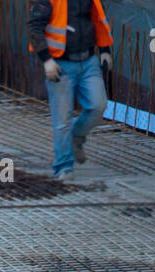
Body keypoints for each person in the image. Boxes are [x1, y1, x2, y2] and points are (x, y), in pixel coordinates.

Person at [27, 0, 114, 180]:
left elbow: (98, 19)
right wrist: (47, 61)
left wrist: (105, 50)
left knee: (98, 106)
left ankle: (76, 137)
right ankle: (64, 167)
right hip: (61, 64)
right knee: (62, 120)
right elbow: (34, 27)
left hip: (88, 61)